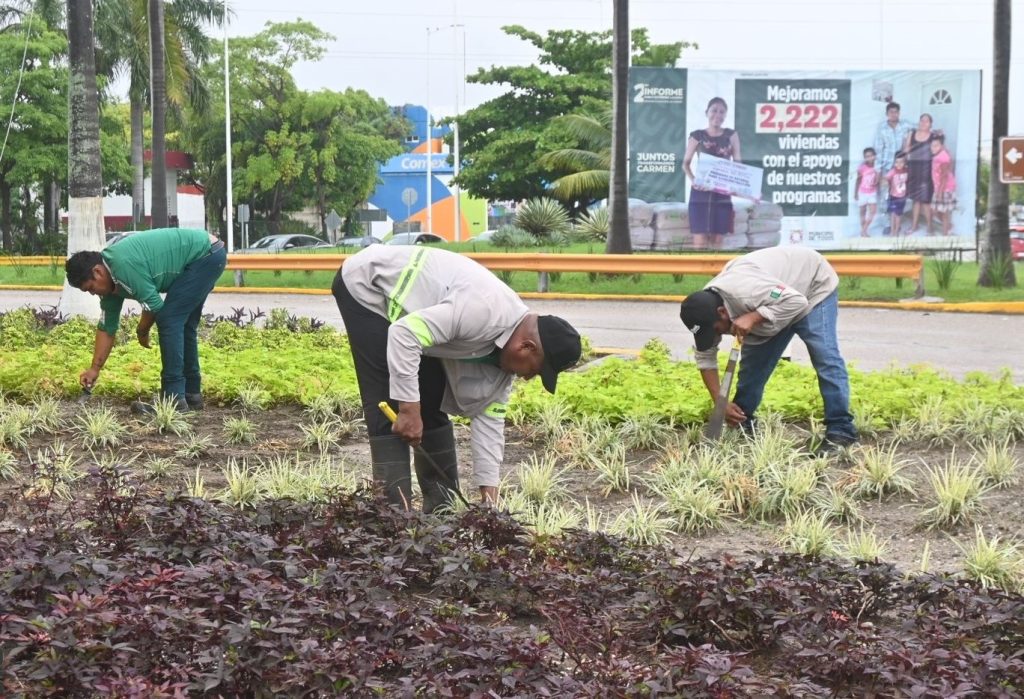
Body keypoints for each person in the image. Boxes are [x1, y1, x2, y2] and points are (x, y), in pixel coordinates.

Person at [332, 245, 582, 511]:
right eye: (536, 370)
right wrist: (407, 410)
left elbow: (490, 423)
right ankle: (392, 518)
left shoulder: (505, 362)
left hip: (416, 320)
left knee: (430, 398)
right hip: (370, 286)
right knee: (391, 403)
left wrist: (490, 504)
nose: (529, 378)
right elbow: (404, 335)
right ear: (527, 347)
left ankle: (442, 511)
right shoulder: (483, 312)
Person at [678, 246, 858, 453]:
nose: (716, 337)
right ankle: (743, 422)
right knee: (753, 367)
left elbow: (795, 300)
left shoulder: (748, 291)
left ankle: (841, 430)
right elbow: (705, 358)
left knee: (825, 357)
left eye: (717, 331)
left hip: (811, 287)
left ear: (722, 312)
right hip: (772, 304)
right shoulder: (703, 310)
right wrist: (721, 403)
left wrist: (754, 316)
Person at [65, 227, 227, 413]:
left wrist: (142, 330)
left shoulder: (122, 266)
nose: (93, 293)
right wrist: (94, 369)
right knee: (183, 324)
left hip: (204, 255)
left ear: (98, 272)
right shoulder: (110, 282)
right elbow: (106, 328)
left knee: (169, 320)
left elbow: (154, 305)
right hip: (208, 253)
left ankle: (173, 399)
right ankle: (191, 395)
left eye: (91, 288)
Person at [683, 97, 741, 250]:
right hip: (700, 192)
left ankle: (715, 271)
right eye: (714, 110)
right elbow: (685, 164)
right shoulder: (697, 136)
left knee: (718, 235)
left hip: (722, 191)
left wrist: (736, 184)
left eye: (722, 111)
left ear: (725, 115)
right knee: (699, 237)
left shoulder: (731, 135)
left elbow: (738, 163)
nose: (718, 114)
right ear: (706, 113)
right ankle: (696, 272)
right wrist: (694, 180)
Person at [903, 113, 935, 234]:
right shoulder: (912, 133)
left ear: (930, 124)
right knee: (916, 200)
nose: (923, 123)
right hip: (913, 169)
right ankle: (914, 226)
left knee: (926, 201)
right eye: (922, 120)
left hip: (927, 170)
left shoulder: (933, 136)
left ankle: (930, 227)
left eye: (926, 121)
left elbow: (938, 152)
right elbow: (906, 150)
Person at [930, 134, 957, 237]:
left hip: (945, 188)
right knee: (935, 211)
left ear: (941, 146)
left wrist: (940, 192)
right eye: (932, 145)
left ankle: (945, 235)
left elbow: (944, 177)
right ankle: (948, 226)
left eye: (936, 145)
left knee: (944, 212)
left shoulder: (943, 157)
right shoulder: (938, 155)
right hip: (938, 188)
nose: (933, 148)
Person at [854, 147, 880, 237]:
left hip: (872, 193)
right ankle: (863, 231)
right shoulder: (862, 168)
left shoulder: (877, 167)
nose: (869, 158)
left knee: (873, 211)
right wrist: (855, 193)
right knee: (863, 212)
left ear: (874, 156)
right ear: (864, 158)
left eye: (871, 156)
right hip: (862, 193)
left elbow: (877, 182)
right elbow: (858, 180)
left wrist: (877, 171)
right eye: (866, 156)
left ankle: (864, 229)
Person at [884, 151, 909, 237]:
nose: (899, 164)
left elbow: (908, 182)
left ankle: (896, 230)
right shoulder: (892, 171)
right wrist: (886, 183)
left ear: (905, 162)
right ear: (894, 162)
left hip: (902, 198)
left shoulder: (907, 171)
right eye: (897, 162)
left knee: (898, 215)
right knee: (892, 214)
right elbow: (885, 179)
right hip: (893, 197)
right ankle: (892, 230)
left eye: (901, 162)